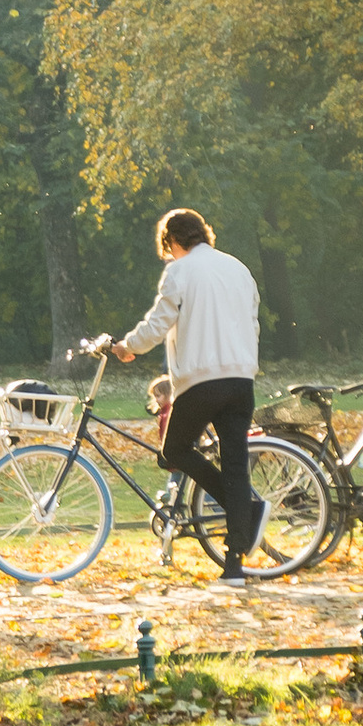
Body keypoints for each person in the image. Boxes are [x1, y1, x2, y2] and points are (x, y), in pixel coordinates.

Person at [111, 207, 265, 585]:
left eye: (168, 248)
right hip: (241, 379)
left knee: (174, 451)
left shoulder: (180, 271)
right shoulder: (238, 268)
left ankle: (244, 508)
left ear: (173, 241)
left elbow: (158, 322)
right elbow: (253, 324)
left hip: (201, 380)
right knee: (235, 465)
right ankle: (234, 564)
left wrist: (128, 347)